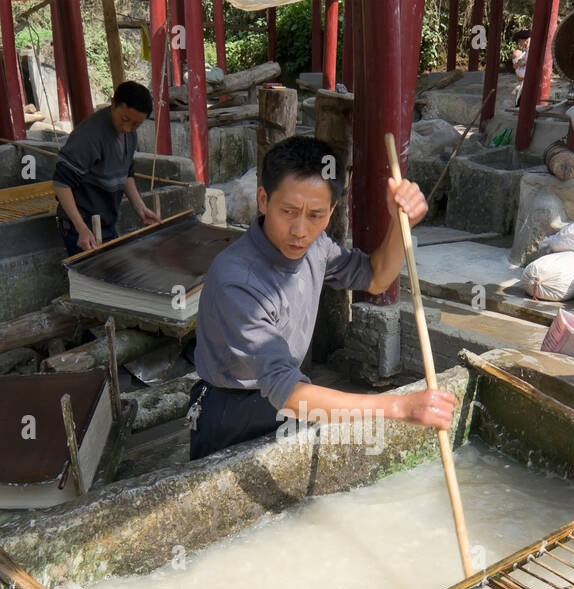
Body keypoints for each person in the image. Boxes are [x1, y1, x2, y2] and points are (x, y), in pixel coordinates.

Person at [187, 136, 458, 460]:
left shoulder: (316, 248)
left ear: (331, 211)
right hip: (230, 410)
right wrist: (398, 405)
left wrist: (401, 224)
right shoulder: (237, 280)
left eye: (316, 215)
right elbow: (286, 391)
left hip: (289, 396)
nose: (300, 230)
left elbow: (375, 277)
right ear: (263, 200)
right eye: (288, 211)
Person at [52, 80, 162, 255]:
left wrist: (140, 207)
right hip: (81, 225)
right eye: (124, 119)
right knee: (92, 279)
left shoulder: (129, 133)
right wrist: (81, 228)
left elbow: (127, 172)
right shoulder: (90, 135)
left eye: (136, 124)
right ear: (113, 103)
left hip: (107, 220)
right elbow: (61, 183)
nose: (127, 128)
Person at [513, 29, 532, 105]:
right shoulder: (526, 50)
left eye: (519, 41)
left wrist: (518, 63)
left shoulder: (530, 49)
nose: (519, 43)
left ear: (524, 40)